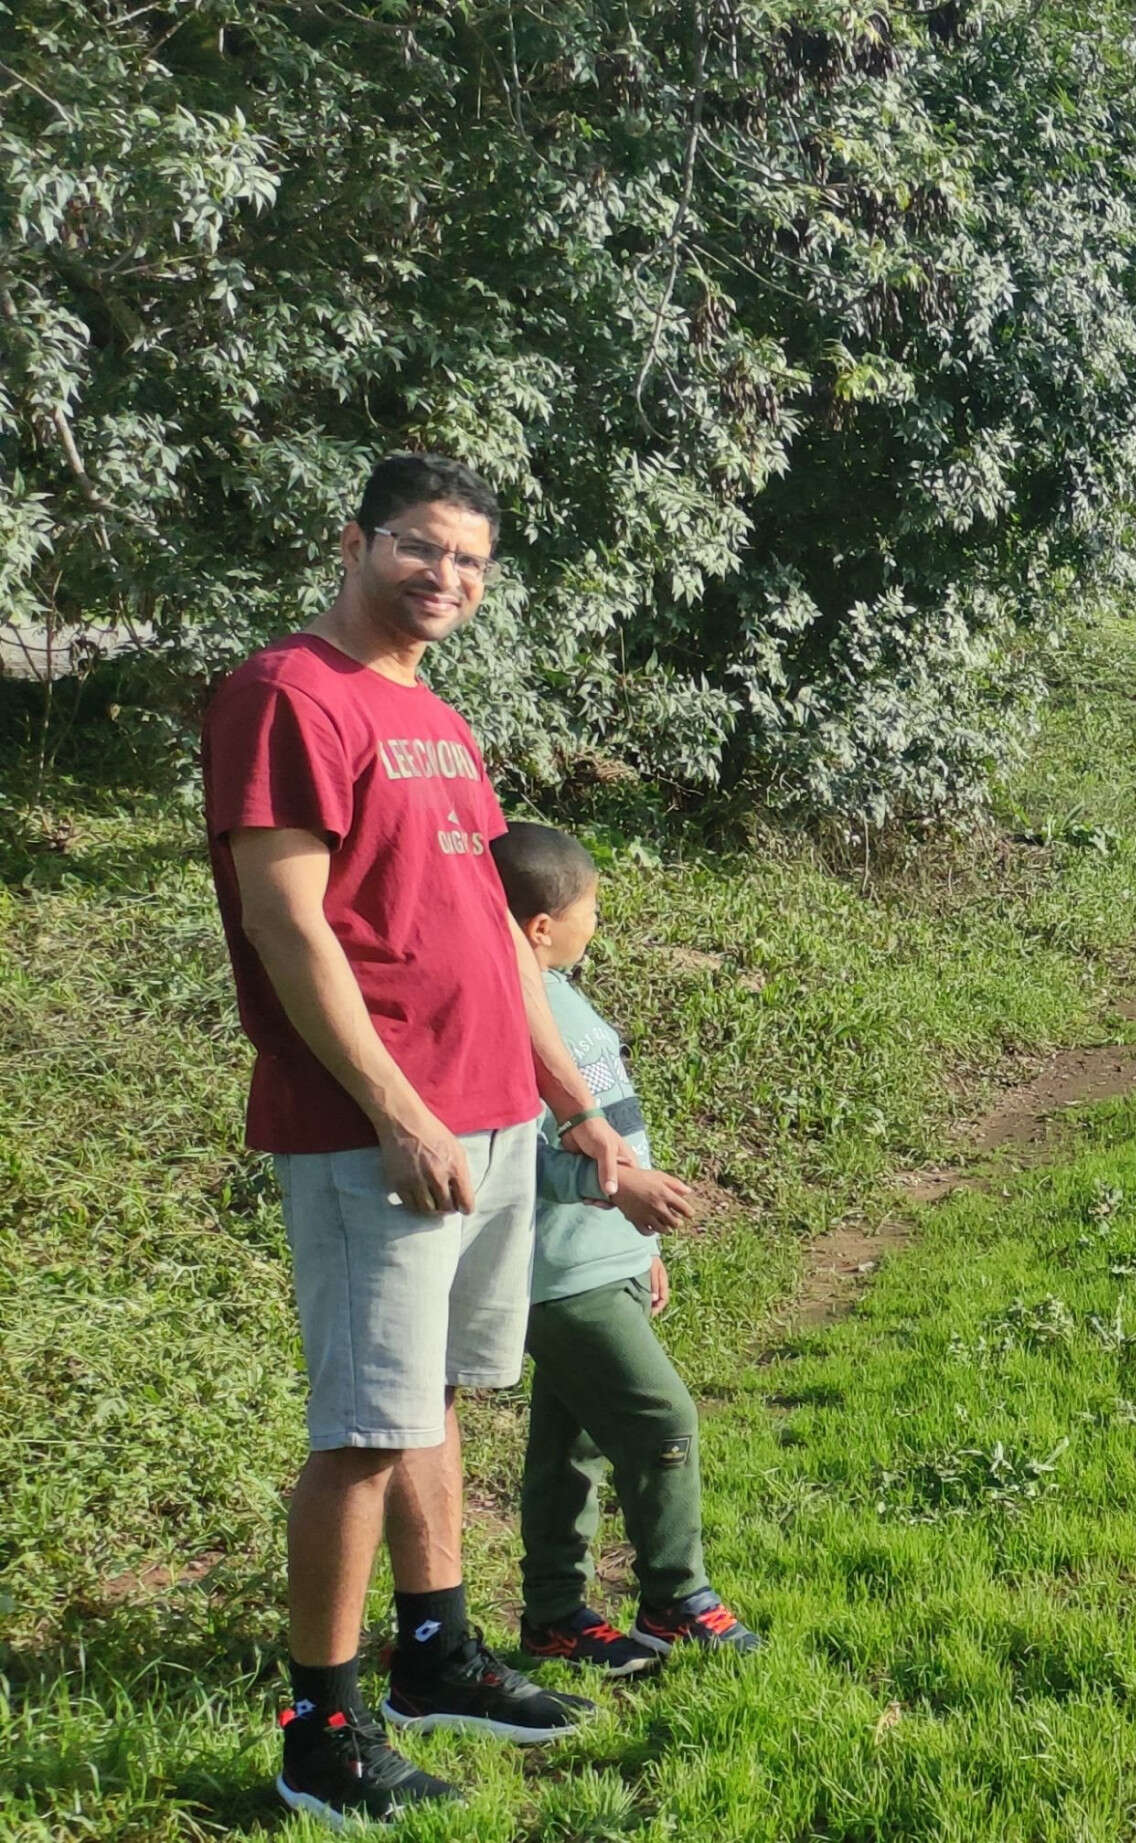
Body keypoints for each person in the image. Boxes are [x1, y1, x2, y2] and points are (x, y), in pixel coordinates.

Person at [206, 453, 691, 1826]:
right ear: (356, 540)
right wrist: (400, 1110)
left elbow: (495, 941)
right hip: (385, 1127)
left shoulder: (435, 715)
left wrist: (582, 1118)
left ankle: (435, 1651)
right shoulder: (286, 694)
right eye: (422, 548)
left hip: (490, 1114)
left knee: (434, 1399)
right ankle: (323, 1725)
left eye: (472, 560)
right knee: (364, 1424)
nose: (447, 577)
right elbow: (288, 924)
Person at [492, 822, 762, 1674]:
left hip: (601, 1255)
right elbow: (508, 1155)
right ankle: (676, 1599)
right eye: (591, 909)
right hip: (557, 1271)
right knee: (661, 1417)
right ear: (542, 925)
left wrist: (633, 1238)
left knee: (567, 1445)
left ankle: (555, 1616)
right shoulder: (507, 1014)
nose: (595, 923)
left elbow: (612, 1126)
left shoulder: (561, 994)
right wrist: (618, 1192)